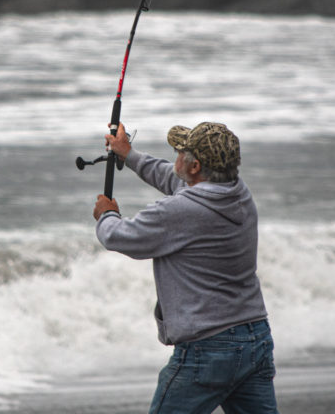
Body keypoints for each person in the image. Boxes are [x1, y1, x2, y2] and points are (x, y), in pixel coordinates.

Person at [92, 121, 277, 414]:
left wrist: (107, 215)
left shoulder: (180, 212)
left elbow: (119, 237)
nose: (175, 157)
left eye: (180, 152)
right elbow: (174, 178)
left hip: (209, 348)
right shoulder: (239, 193)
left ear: (195, 166)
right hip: (254, 339)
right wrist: (129, 154)